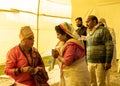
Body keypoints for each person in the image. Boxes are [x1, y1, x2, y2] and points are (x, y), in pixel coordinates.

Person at [86, 15, 114, 86]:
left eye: (88, 22)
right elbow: (88, 47)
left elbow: (109, 46)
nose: (86, 24)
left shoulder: (103, 30)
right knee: (92, 83)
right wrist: (87, 60)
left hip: (100, 63)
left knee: (100, 83)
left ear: (94, 21)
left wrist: (108, 61)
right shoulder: (89, 33)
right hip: (90, 62)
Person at [98, 18, 117, 86]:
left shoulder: (110, 30)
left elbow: (112, 42)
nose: (99, 24)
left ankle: (107, 83)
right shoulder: (97, 31)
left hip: (107, 52)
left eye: (101, 22)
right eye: (98, 22)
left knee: (107, 70)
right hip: (100, 53)